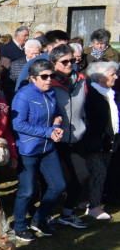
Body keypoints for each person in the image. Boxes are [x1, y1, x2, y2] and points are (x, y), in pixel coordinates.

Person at [10, 59, 66, 242]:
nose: (49, 80)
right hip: (28, 149)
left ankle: (39, 219)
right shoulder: (23, 95)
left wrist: (57, 123)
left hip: (47, 147)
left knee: (58, 185)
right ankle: (19, 226)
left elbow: (55, 112)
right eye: (44, 76)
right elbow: (18, 124)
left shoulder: (50, 93)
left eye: (52, 75)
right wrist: (48, 131)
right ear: (33, 78)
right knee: (27, 191)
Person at [48, 46, 90, 228]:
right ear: (54, 63)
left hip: (77, 137)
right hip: (55, 139)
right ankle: (45, 215)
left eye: (72, 60)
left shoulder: (80, 80)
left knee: (82, 175)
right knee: (51, 181)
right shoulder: (48, 82)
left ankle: (67, 211)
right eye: (64, 61)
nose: (69, 64)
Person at [82, 61, 119, 220]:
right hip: (95, 142)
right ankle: (94, 206)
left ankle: (89, 200)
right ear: (99, 77)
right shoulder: (91, 94)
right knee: (98, 171)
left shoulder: (111, 93)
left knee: (102, 172)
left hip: (110, 141)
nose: (116, 77)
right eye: (112, 74)